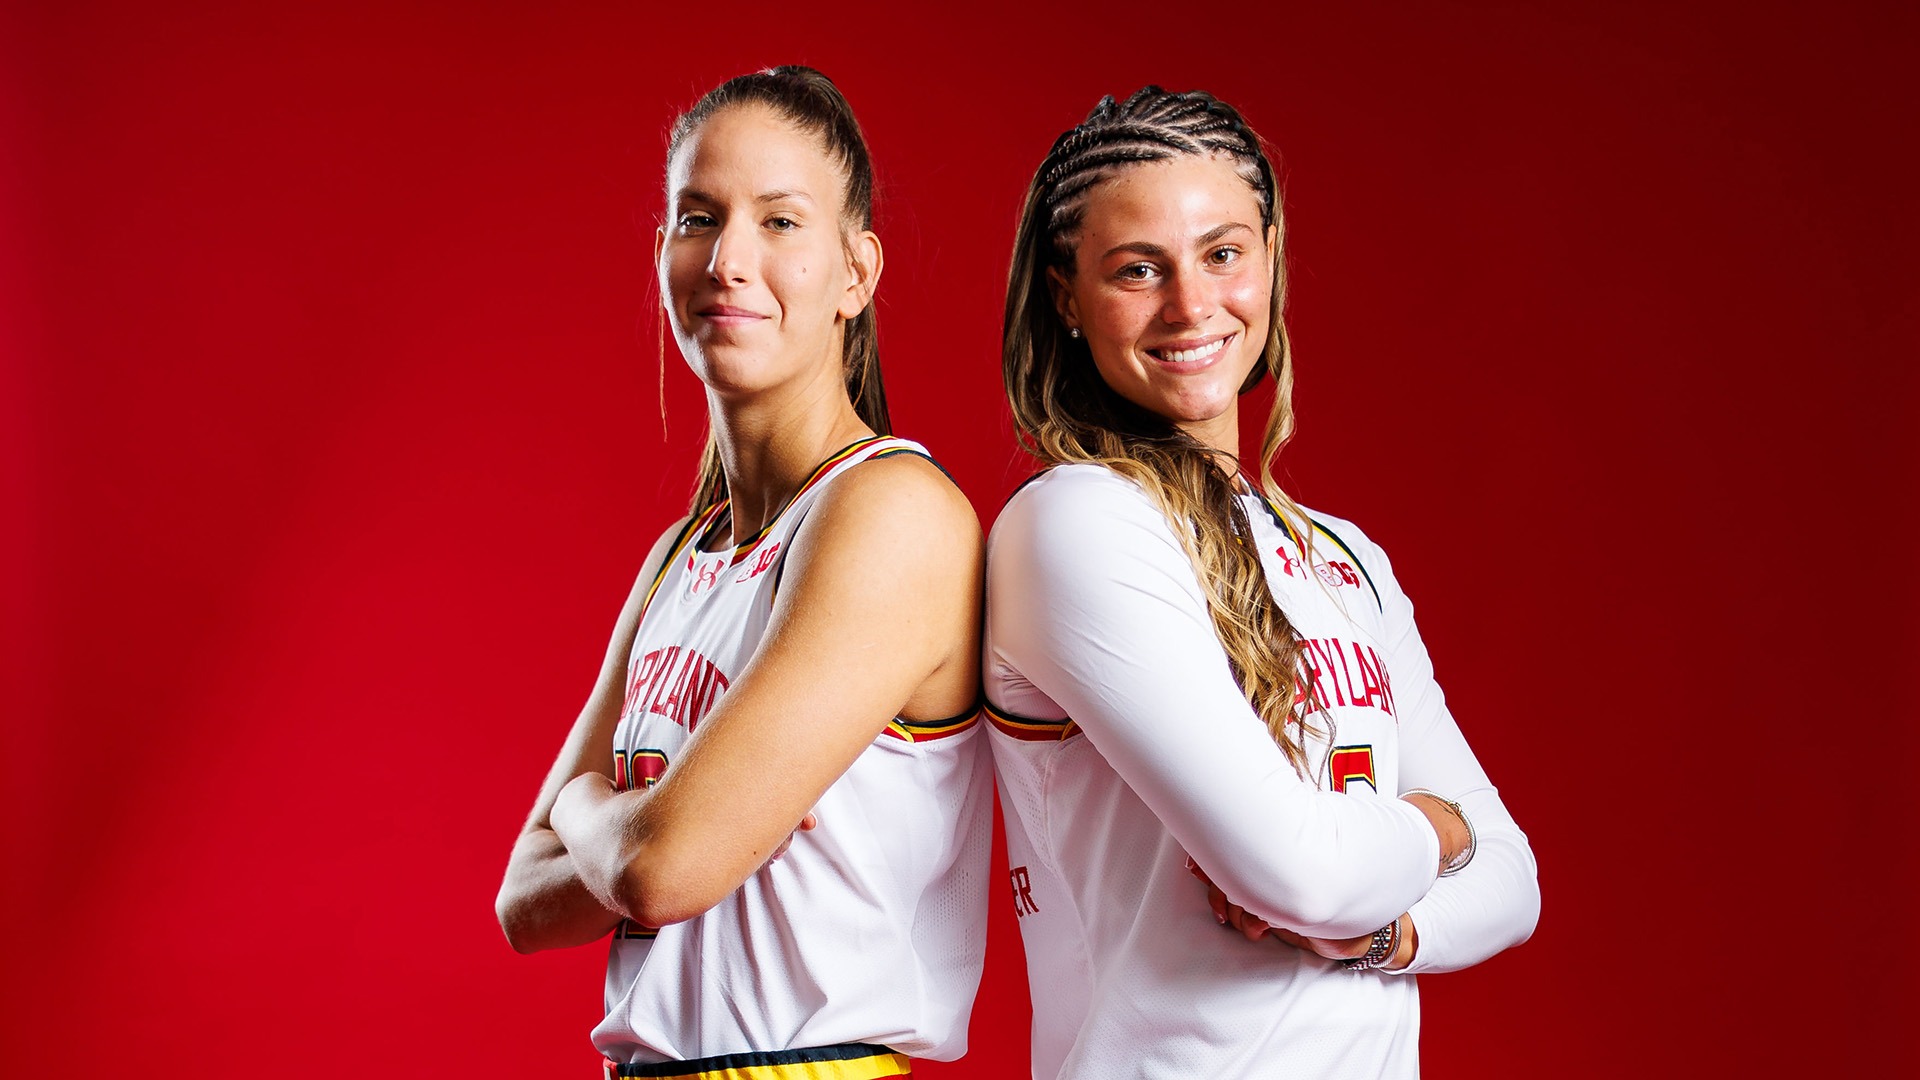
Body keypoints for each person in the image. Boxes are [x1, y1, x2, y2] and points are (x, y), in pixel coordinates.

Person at [985, 86, 1540, 1079]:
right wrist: (1443, 821)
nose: (1191, 306)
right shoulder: (1077, 525)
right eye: (1137, 269)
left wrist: (1386, 937)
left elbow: (1515, 882)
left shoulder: (1345, 557)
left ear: (1272, 258)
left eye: (1223, 253)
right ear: (1067, 296)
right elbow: (1304, 873)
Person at [494, 66, 991, 1079]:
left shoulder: (891, 511)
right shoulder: (683, 554)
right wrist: (661, 822)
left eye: (780, 222)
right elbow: (522, 905)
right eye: (698, 217)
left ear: (857, 272)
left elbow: (662, 867)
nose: (728, 259)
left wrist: (598, 808)